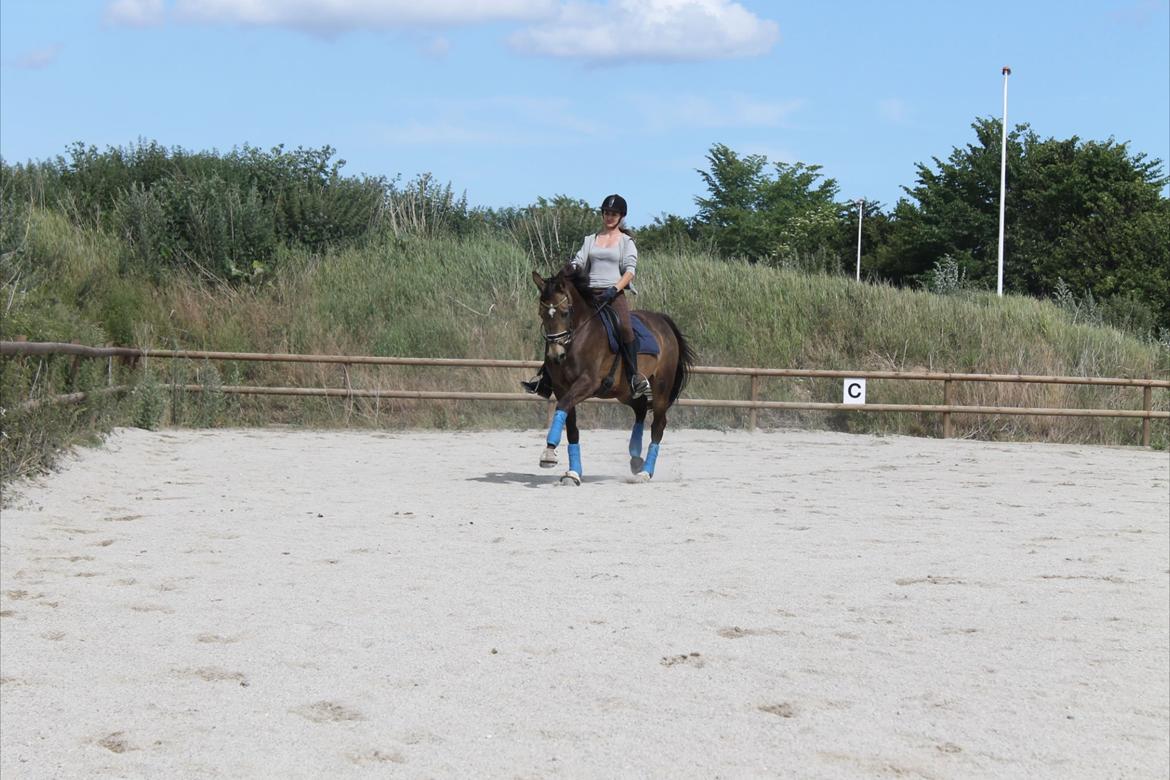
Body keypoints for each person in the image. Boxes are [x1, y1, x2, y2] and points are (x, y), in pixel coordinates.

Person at [523, 193, 652, 400]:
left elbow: (630, 271)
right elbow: (579, 262)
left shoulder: (626, 242)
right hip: (589, 294)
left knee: (626, 328)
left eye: (614, 213)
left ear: (621, 216)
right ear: (603, 214)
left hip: (614, 294)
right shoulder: (590, 240)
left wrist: (615, 288)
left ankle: (634, 377)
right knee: (559, 326)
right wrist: (566, 271)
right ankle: (546, 379)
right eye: (607, 213)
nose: (609, 217)